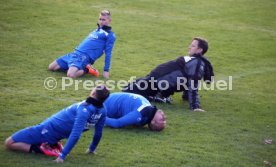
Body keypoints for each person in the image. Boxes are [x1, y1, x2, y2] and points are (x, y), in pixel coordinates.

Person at [4, 85, 110, 163]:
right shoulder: (102, 110)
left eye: (93, 88)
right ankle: (52, 144)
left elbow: (76, 134)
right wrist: (92, 148)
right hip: (56, 132)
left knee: (9, 143)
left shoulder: (84, 109)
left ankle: (42, 149)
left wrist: (62, 156)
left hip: (47, 129)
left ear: (94, 94)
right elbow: (98, 132)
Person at [123, 37, 214, 112]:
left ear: (200, 50)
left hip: (156, 83)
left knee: (128, 90)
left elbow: (193, 83)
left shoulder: (196, 63)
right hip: (154, 81)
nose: (189, 47)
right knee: (129, 87)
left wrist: (195, 106)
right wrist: (186, 96)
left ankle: (157, 96)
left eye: (193, 46)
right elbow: (188, 78)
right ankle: (159, 96)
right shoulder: (195, 61)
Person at [48, 10, 116, 78]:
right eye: (100, 19)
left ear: (109, 20)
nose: (101, 21)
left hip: (84, 58)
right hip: (74, 54)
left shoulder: (110, 35)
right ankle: (76, 66)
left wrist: (106, 70)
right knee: (51, 67)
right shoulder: (96, 30)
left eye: (103, 19)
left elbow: (108, 53)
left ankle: (87, 69)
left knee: (71, 75)